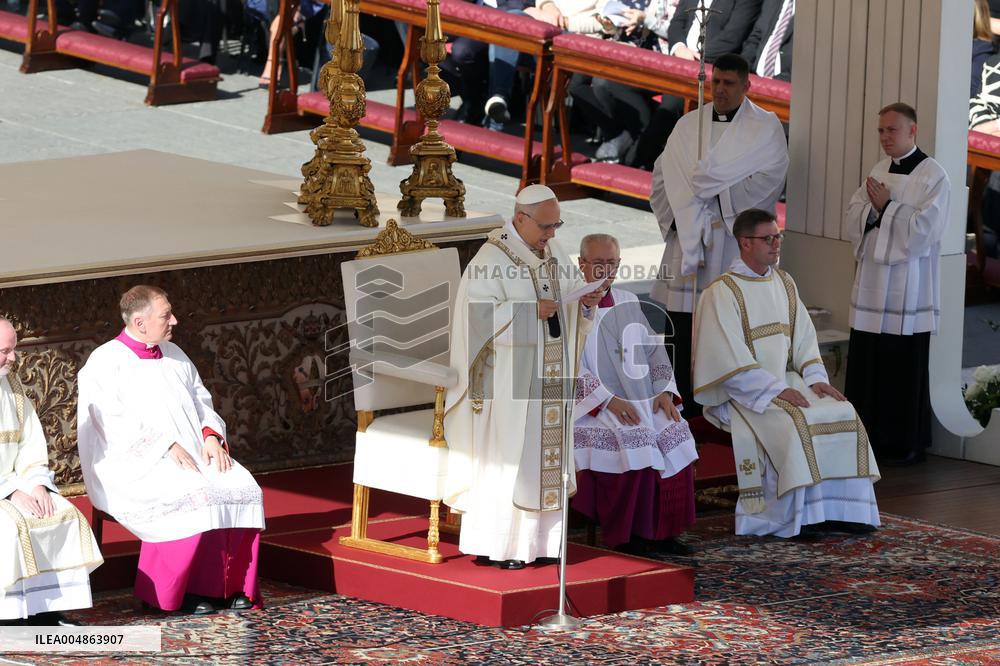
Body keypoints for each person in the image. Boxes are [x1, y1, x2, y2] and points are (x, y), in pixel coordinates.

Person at [693, 209, 881, 538]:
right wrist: (775, 390)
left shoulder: (784, 281)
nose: (776, 244)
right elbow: (726, 360)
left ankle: (841, 510)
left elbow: (804, 339)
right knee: (797, 421)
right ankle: (796, 518)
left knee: (842, 410)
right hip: (745, 393)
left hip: (786, 381)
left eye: (778, 236)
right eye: (768, 238)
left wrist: (816, 380)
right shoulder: (721, 293)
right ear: (744, 243)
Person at [444, 185, 605, 570]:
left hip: (550, 372)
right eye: (547, 226)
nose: (552, 234)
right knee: (511, 459)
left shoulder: (554, 252)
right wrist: (529, 311)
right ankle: (502, 546)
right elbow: (476, 321)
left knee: (542, 458)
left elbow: (567, 303)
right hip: (507, 382)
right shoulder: (490, 259)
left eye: (557, 225)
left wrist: (584, 305)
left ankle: (542, 544)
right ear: (520, 219)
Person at [77, 286, 265, 615]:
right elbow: (110, 422)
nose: (174, 321)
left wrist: (210, 435)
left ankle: (226, 587)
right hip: (134, 462)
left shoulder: (175, 353)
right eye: (166, 315)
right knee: (192, 493)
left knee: (241, 484)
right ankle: (172, 594)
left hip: (192, 451)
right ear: (139, 321)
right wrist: (164, 445)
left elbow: (201, 399)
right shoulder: (105, 362)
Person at [649, 53, 789, 414]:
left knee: (724, 323)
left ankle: (722, 405)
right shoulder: (688, 126)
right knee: (680, 324)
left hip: (728, 240)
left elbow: (771, 176)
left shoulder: (765, 128)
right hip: (687, 241)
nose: (721, 90)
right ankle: (677, 402)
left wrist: (718, 202)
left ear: (747, 85)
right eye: (717, 82)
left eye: (729, 83)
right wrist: (683, 213)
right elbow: (663, 174)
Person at [572, 234, 698, 556]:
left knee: (676, 432)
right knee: (637, 441)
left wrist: (665, 392)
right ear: (581, 263)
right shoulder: (569, 305)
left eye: (611, 264)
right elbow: (568, 366)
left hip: (640, 397)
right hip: (593, 407)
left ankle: (665, 533)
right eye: (597, 264)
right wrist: (608, 401)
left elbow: (654, 350)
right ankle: (631, 536)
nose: (604, 272)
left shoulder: (628, 300)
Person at [844, 103, 950, 467]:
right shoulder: (878, 169)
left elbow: (926, 232)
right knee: (869, 362)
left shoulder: (934, 176)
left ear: (912, 131)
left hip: (909, 288)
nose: (885, 137)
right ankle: (866, 436)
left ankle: (905, 442)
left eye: (892, 130)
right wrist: (873, 211)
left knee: (901, 367)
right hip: (874, 282)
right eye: (881, 131)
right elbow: (855, 212)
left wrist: (887, 207)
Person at [0, 318, 102, 627]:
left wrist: (36, 484)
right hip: (5, 489)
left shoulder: (12, 387)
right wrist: (10, 489)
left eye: (13, 350)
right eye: (5, 351)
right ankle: (10, 617)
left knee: (62, 513)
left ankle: (47, 611)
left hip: (16, 485)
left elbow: (31, 443)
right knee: (10, 527)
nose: (14, 359)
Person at [740, 0, 794, 81]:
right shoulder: (772, 2)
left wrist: (774, 82)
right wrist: (743, 67)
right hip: (754, 78)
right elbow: (756, 37)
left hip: (783, 85)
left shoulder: (815, 12)